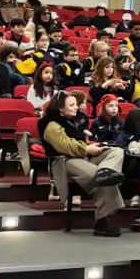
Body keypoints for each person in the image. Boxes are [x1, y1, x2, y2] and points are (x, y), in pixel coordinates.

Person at [39, 91, 127, 237]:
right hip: (64, 160)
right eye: (72, 105)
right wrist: (87, 149)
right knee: (97, 176)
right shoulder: (51, 125)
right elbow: (65, 146)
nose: (76, 107)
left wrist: (93, 147)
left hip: (84, 154)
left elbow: (82, 141)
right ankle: (102, 221)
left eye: (76, 104)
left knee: (115, 152)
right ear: (61, 109)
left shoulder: (78, 119)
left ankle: (106, 171)